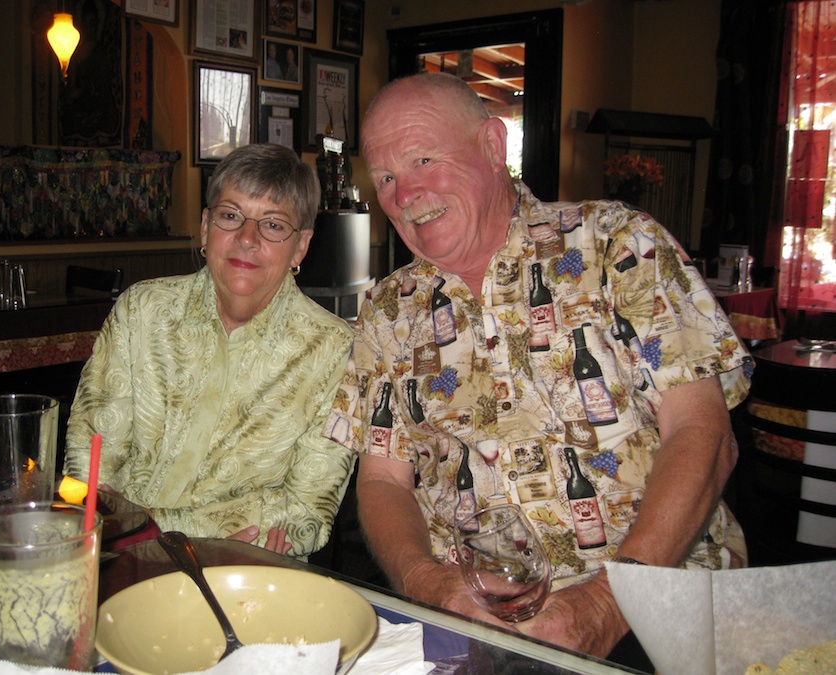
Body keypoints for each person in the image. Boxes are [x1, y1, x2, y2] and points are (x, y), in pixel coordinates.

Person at [324, 73, 753, 658]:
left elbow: (704, 435)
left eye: (424, 159)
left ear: (494, 148)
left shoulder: (619, 246)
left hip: (660, 599)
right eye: (388, 178)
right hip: (475, 619)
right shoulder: (387, 311)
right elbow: (380, 481)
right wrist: (427, 583)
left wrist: (609, 603)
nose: (405, 195)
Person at [64, 143, 354, 559]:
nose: (247, 239)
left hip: (249, 575)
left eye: (273, 225)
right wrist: (143, 535)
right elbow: (86, 468)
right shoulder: (142, 312)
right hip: (116, 563)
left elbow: (306, 513)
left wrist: (146, 527)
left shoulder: (334, 351)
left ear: (301, 247)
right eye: (230, 216)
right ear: (205, 227)